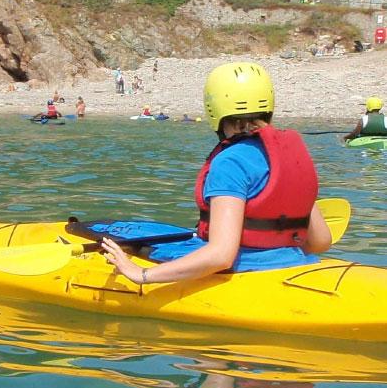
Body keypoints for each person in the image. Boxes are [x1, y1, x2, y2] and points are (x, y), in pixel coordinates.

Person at [101, 61, 332, 284]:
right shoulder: (287, 155)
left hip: (245, 274)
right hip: (297, 263)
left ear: (215, 110)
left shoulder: (230, 162)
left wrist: (141, 274)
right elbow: (321, 241)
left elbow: (221, 256)